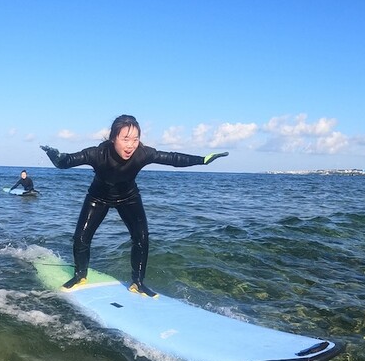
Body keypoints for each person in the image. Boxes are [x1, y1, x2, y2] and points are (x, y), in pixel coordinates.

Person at [41, 114, 228, 297]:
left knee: (142, 237)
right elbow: (67, 162)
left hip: (128, 197)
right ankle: (80, 275)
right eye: (125, 139)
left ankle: (138, 283)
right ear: (114, 138)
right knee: (81, 237)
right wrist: (55, 156)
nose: (131, 145)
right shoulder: (97, 153)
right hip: (98, 198)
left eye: (135, 139)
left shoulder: (142, 153)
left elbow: (173, 159)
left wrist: (202, 160)